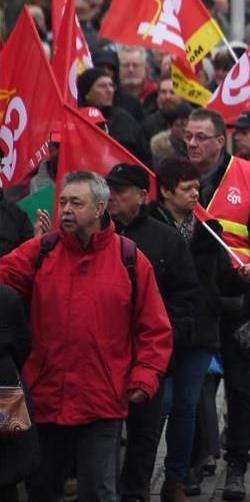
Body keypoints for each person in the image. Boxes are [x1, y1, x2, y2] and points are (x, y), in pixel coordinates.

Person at [0, 170, 173, 502]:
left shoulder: (129, 258)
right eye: (63, 201)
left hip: (102, 398)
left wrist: (145, 376)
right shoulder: (41, 251)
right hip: (46, 394)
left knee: (97, 490)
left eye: (76, 203)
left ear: (99, 208)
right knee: (41, 488)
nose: (66, 209)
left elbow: (155, 328)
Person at [148, 158, 250, 499]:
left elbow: (221, 282)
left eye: (197, 187)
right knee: (157, 408)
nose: (195, 194)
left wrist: (241, 279)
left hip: (199, 331)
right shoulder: (149, 227)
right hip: (160, 331)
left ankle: (176, 479)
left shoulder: (209, 229)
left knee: (187, 407)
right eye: (186, 189)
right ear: (166, 191)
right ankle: (138, 477)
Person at [184, 109, 250, 499]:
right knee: (192, 388)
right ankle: (190, 463)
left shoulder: (249, 176)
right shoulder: (173, 178)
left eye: (201, 137)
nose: (192, 143)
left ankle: (236, 466)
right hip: (191, 303)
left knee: (240, 389)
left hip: (237, 302)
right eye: (188, 136)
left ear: (220, 141)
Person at [106, 163, 200, 502]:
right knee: (103, 433)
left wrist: (169, 336)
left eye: (120, 191)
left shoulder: (166, 239)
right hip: (104, 353)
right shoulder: (97, 234)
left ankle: (136, 492)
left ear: (142, 196)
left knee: (145, 434)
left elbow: (186, 293)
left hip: (149, 355)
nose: (112, 196)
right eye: (109, 189)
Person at [0, 283, 35, 502]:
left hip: (6, 394)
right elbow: (23, 347)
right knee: (7, 474)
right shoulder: (7, 297)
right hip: (5, 391)